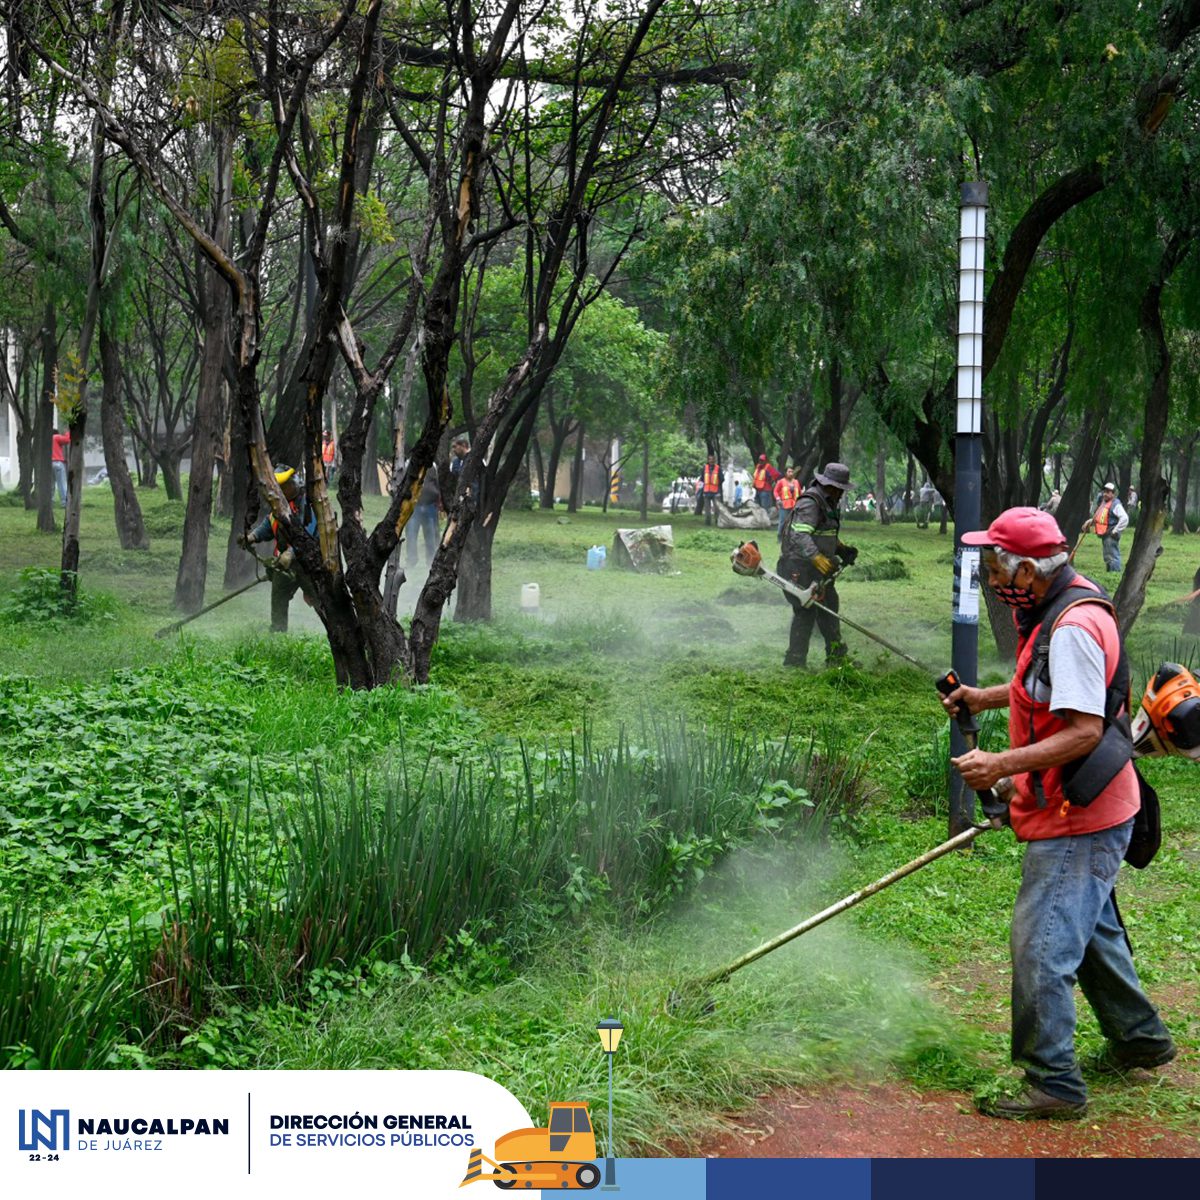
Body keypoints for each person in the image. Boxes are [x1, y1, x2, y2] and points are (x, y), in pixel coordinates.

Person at [941, 507, 1174, 1120]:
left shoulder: (1069, 626)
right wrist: (983, 697)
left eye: (996, 561)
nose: (991, 572)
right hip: (1101, 803)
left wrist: (1001, 765)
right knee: (1090, 934)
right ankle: (1141, 1039)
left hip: (1080, 812)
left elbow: (1082, 731)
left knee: (1042, 945)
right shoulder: (1064, 602)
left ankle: (1054, 1083)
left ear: (1027, 566)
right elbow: (1049, 688)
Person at [777, 462, 857, 669]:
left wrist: (841, 549)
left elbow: (825, 533)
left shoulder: (828, 502)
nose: (841, 493)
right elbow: (800, 534)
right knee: (806, 612)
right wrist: (816, 557)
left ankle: (837, 659)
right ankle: (794, 662)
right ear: (831, 486)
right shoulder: (810, 502)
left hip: (818, 569)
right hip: (799, 566)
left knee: (830, 608)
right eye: (840, 489)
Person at [238, 466, 318, 633]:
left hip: (310, 565)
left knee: (320, 600)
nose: (281, 490)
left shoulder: (309, 504)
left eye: (285, 486)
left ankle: (337, 633)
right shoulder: (279, 505)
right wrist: (252, 536)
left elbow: (309, 535)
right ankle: (278, 635)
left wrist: (291, 553)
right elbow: (269, 525)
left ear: (294, 483)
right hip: (285, 564)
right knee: (279, 599)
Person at [1082, 482, 1128, 573]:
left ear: (1113, 493)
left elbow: (1125, 518)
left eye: (1108, 492)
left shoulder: (1115, 504)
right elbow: (1100, 517)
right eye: (1105, 492)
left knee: (1113, 556)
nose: (1105, 494)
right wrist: (1090, 521)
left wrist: (1116, 530)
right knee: (1108, 556)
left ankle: (1114, 576)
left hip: (1111, 534)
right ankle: (1110, 573)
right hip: (1105, 534)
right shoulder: (1104, 503)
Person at [407, 462, 441, 567]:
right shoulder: (410, 463)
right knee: (411, 534)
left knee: (430, 535)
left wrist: (439, 502)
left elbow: (437, 483)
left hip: (430, 505)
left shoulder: (433, 465)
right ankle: (412, 560)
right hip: (414, 506)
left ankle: (430, 561)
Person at [773, 465, 800, 537]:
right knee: (782, 521)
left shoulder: (796, 482)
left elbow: (800, 493)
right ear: (785, 473)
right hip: (784, 504)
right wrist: (778, 499)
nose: (790, 473)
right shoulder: (781, 481)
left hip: (795, 505)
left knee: (793, 522)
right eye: (789, 472)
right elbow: (775, 491)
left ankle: (791, 537)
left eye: (792, 472)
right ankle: (779, 537)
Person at [699, 454, 722, 525]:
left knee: (717, 508)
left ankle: (717, 521)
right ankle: (707, 522)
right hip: (706, 492)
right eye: (710, 459)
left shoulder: (718, 468)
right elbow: (702, 479)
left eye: (712, 459)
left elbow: (722, 479)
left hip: (715, 492)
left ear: (714, 460)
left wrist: (717, 485)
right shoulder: (704, 468)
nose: (711, 460)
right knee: (707, 509)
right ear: (708, 460)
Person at [51, 428, 70, 508]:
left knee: (50, 484)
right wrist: (67, 432)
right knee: (61, 483)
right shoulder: (56, 437)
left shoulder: (45, 440)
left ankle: (50, 501)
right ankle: (64, 502)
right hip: (58, 463)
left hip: (48, 464)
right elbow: (67, 440)